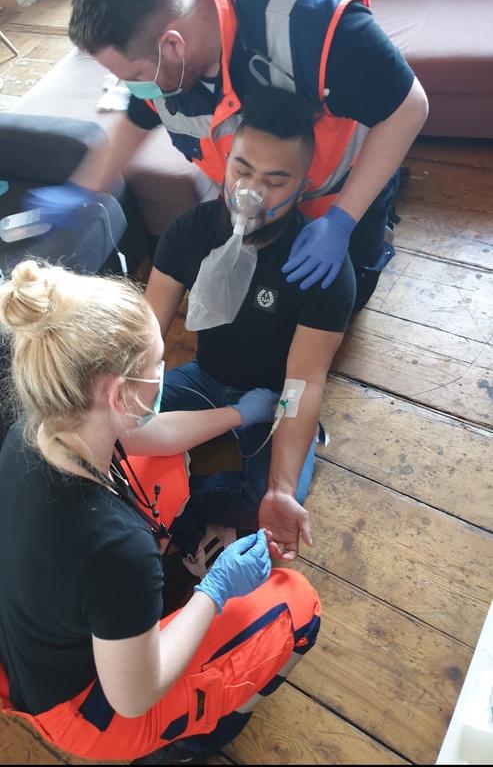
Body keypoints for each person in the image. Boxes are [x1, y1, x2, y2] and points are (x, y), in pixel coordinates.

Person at [0, 260, 320, 764]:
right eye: (157, 364)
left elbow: (159, 432)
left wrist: (242, 413)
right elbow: (133, 694)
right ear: (117, 392)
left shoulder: (41, 428)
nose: (163, 371)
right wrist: (215, 591)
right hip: (90, 706)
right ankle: (195, 738)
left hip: (37, 640)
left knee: (165, 464)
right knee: (297, 604)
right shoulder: (115, 547)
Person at [26, 0, 428, 302]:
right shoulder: (164, 57)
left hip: (339, 196)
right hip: (261, 207)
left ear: (173, 45)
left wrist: (342, 221)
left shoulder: (308, 18)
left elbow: (408, 108)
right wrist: (83, 188)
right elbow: (137, 120)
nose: (135, 88)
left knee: (345, 299)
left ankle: (380, 215)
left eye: (134, 76)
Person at [145, 86, 355, 565]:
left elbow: (303, 381)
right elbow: (145, 336)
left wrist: (281, 487)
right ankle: (181, 501)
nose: (251, 192)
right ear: (226, 159)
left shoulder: (321, 267)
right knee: (109, 430)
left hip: (277, 399)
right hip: (205, 379)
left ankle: (185, 505)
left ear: (304, 184)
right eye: (242, 169)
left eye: (276, 181)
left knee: (266, 505)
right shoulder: (190, 231)